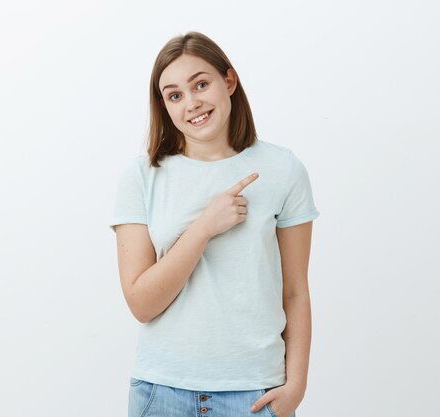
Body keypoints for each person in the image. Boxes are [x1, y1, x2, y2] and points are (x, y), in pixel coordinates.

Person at [109, 31, 320, 417]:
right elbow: (142, 303)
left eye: (200, 84)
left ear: (229, 81)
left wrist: (295, 388)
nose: (192, 103)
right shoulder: (141, 176)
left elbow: (295, 291)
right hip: (162, 391)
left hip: (254, 393)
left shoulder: (282, 169)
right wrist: (204, 227)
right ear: (165, 106)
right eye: (175, 95)